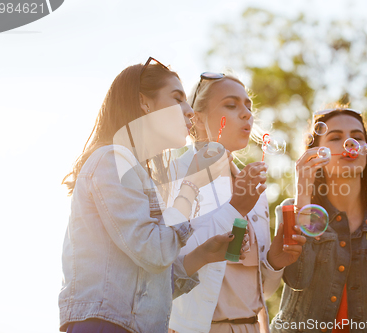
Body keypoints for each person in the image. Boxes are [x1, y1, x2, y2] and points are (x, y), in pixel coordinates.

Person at [59, 58, 242, 333]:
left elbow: (151, 285)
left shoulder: (138, 173)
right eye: (177, 98)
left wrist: (203, 254)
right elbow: (154, 252)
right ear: (144, 103)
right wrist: (192, 183)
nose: (189, 111)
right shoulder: (111, 160)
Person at [168, 73, 307, 333]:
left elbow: (262, 290)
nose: (246, 114)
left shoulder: (250, 185)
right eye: (231, 105)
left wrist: (275, 261)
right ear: (196, 118)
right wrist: (235, 209)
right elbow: (168, 264)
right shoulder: (174, 175)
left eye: (248, 106)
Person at [270, 107, 367, 333]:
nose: (349, 144)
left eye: (357, 138)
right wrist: (303, 191)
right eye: (335, 137)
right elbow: (296, 279)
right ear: (317, 154)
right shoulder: (292, 209)